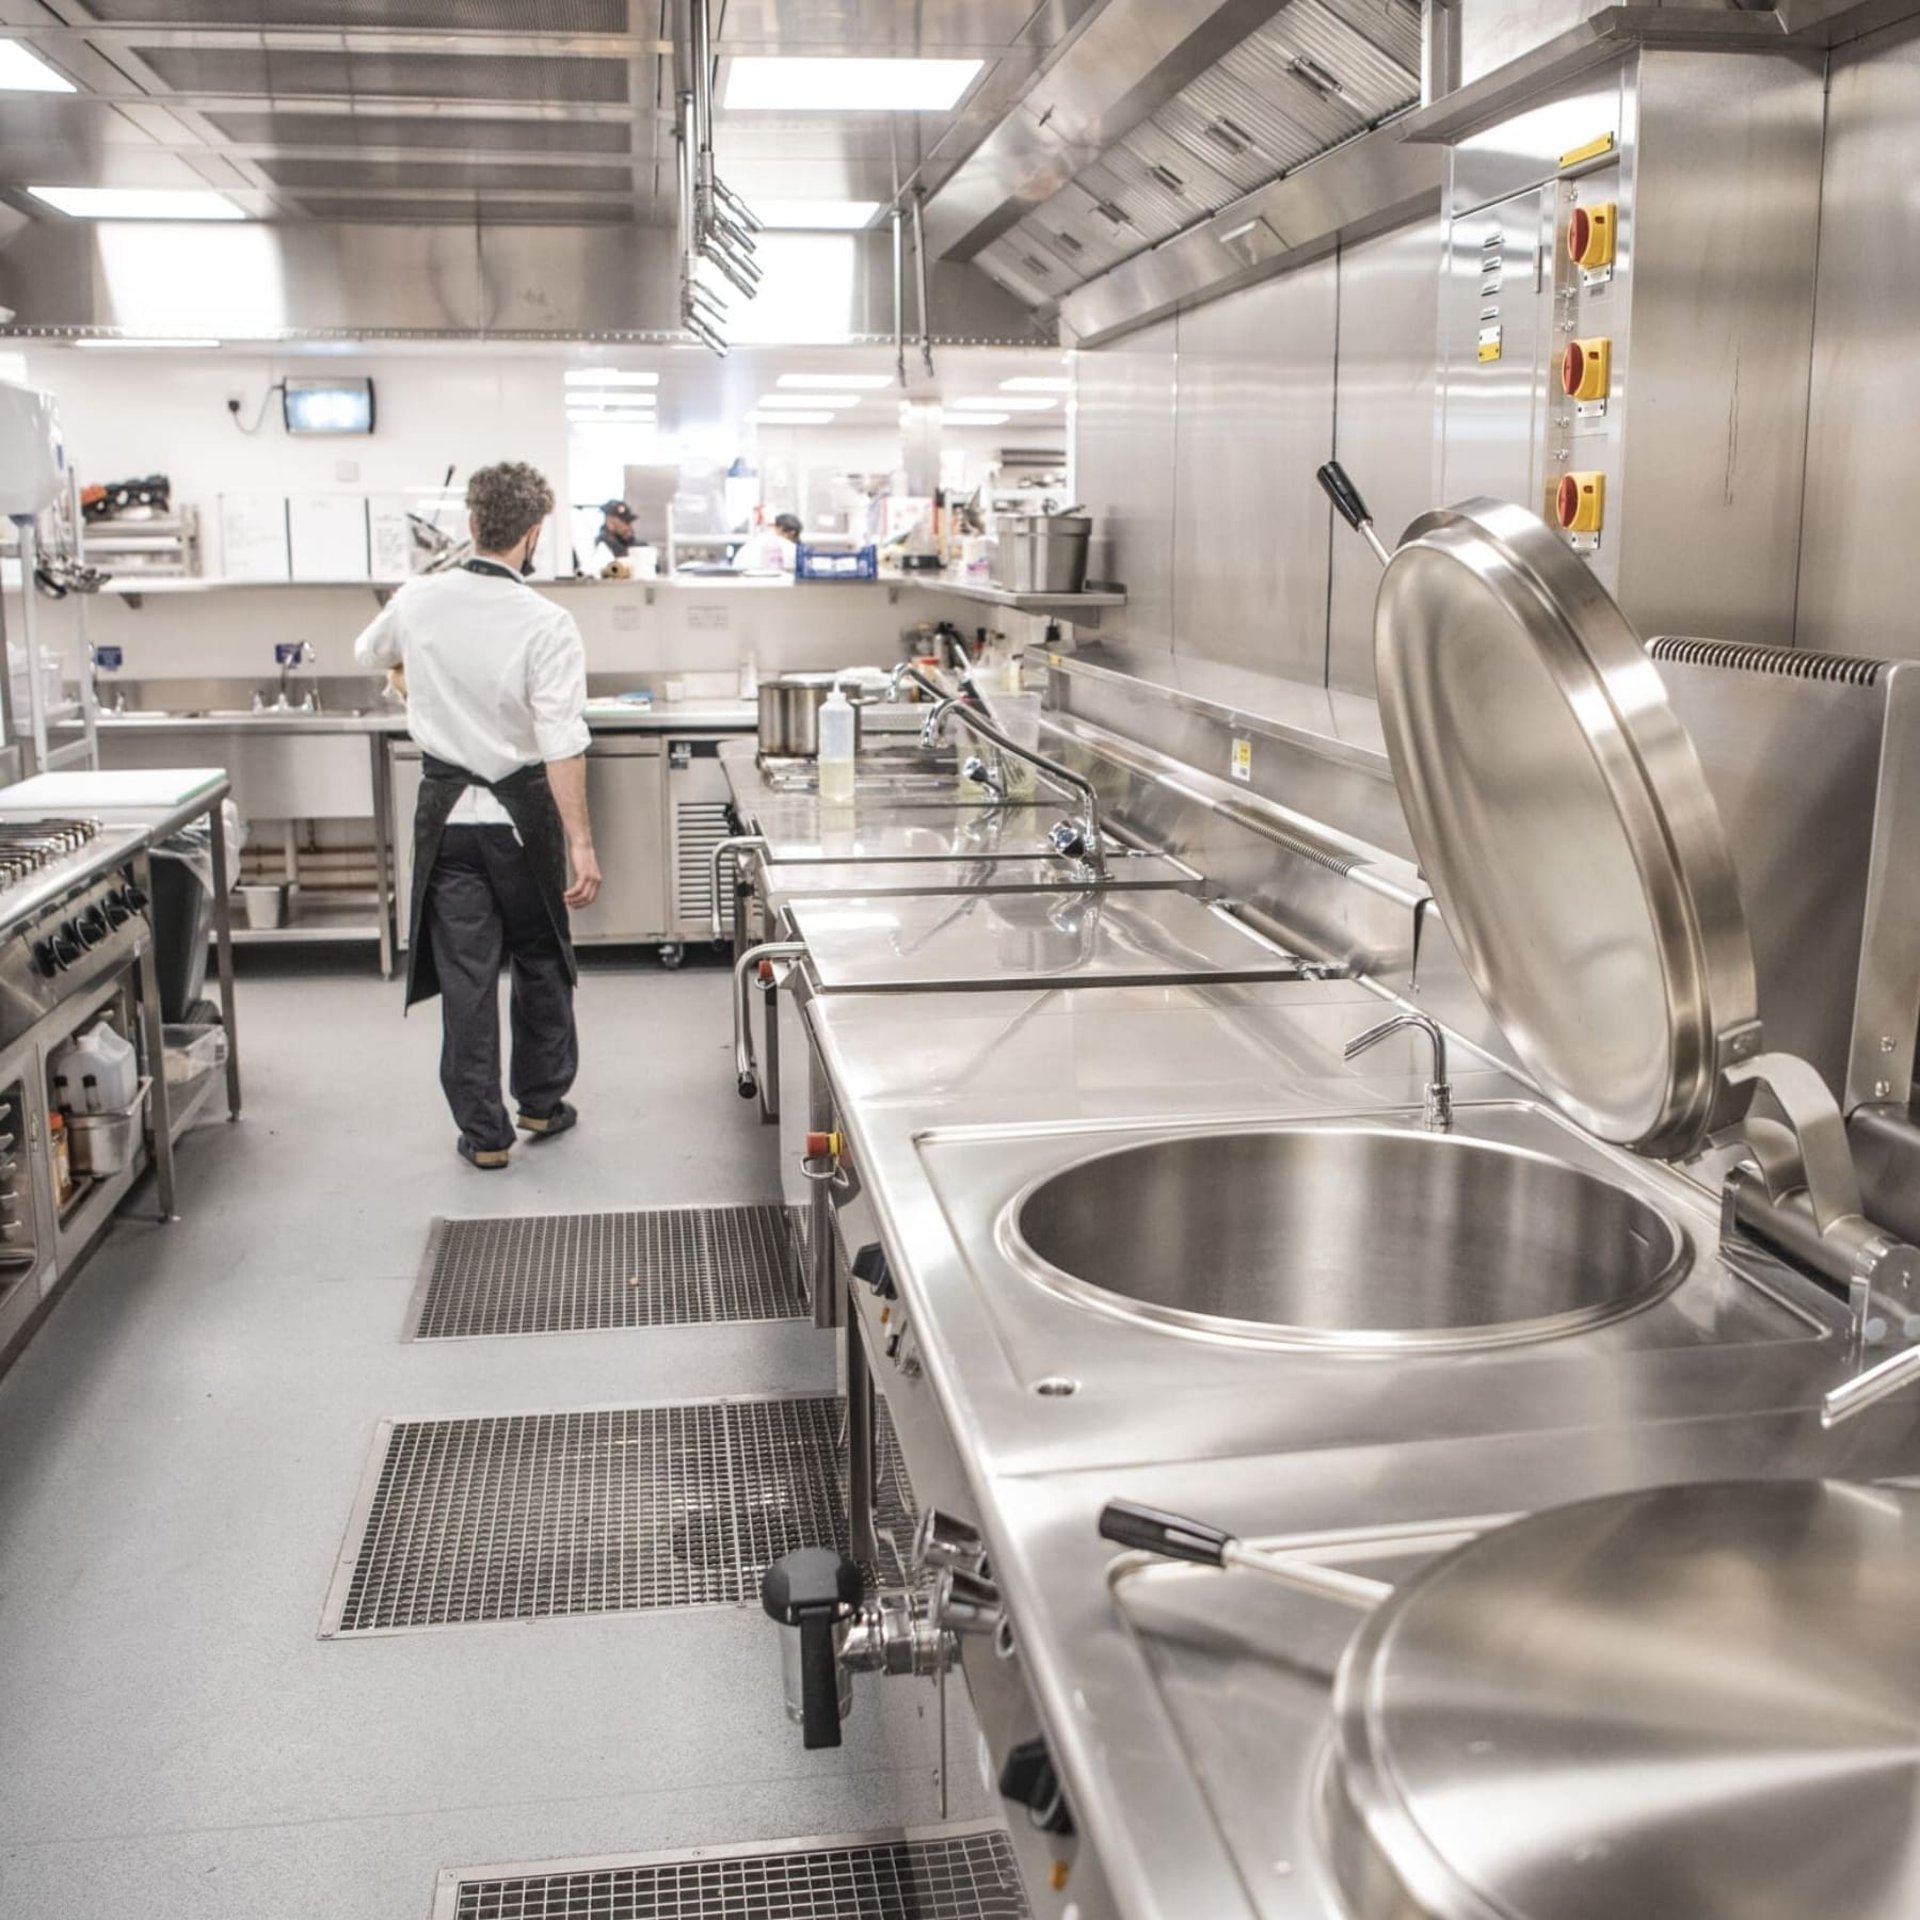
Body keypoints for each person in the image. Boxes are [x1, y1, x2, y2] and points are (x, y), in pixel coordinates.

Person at [354, 461, 602, 1170]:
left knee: (466, 976)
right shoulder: (547, 622)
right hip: (522, 819)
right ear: (532, 534)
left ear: (470, 525)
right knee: (541, 956)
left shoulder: (420, 598)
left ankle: (484, 1134)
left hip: (448, 824)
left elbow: (368, 650)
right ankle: (541, 1101)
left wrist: (412, 667)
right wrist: (582, 844)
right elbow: (561, 739)